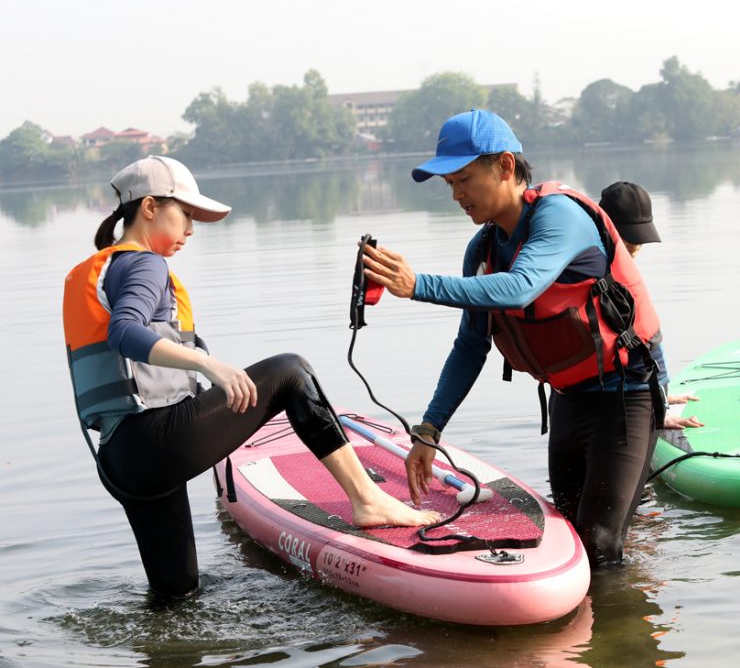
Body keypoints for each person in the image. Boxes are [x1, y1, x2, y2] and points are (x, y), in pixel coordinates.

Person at [63, 156, 437, 598]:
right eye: (185, 215)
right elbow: (125, 332)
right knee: (290, 372)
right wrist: (208, 364)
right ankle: (368, 499)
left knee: (176, 594)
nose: (190, 230)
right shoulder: (144, 265)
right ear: (149, 207)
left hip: (121, 461)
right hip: (154, 441)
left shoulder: (104, 269)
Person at [362, 110, 668, 566]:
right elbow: (470, 346)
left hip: (626, 396)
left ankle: (621, 629)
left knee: (600, 544)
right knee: (568, 537)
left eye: (464, 178)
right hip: (569, 400)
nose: (457, 194)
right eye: (449, 184)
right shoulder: (482, 251)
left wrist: (417, 285)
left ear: (506, 166)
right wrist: (428, 432)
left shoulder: (560, 216)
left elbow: (522, 285)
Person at [598, 182, 703, 430]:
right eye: (629, 239)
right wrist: (659, 410)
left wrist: (662, 395)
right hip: (618, 400)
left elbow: (646, 339)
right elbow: (641, 348)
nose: (636, 247)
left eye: (640, 240)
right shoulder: (598, 276)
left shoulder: (618, 267)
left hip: (640, 390)